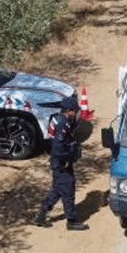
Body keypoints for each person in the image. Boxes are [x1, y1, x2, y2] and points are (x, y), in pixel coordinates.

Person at [34, 96, 88, 230]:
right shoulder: (62, 123)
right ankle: (71, 221)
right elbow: (58, 146)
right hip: (62, 162)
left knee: (58, 189)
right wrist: (67, 160)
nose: (75, 114)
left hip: (58, 161)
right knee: (68, 189)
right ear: (69, 111)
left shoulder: (56, 118)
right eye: (74, 111)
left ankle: (41, 215)